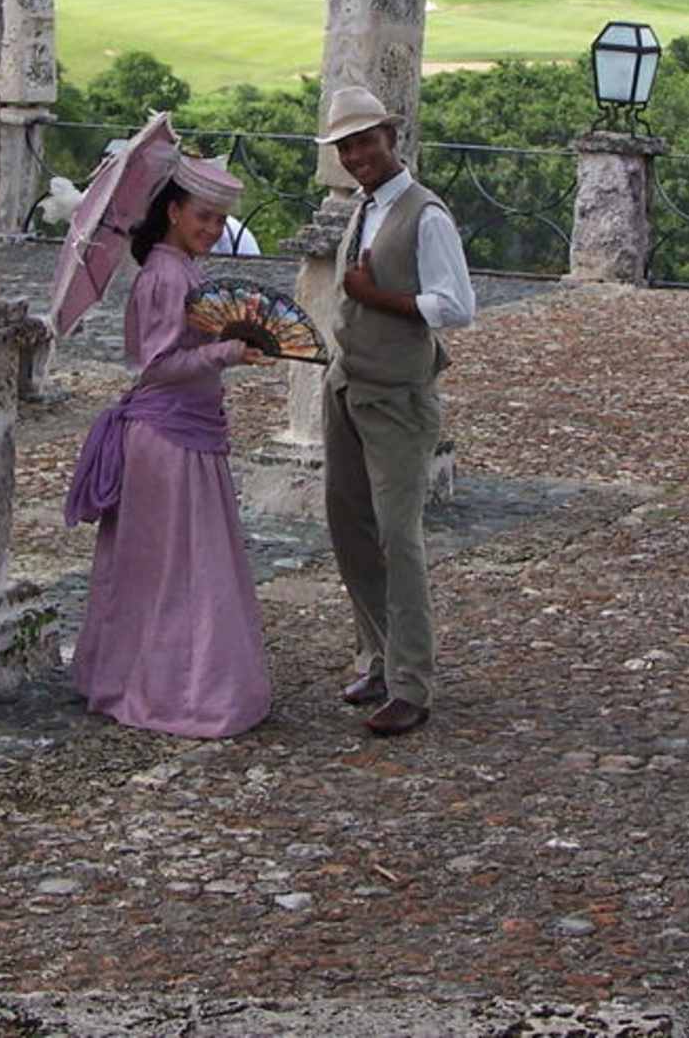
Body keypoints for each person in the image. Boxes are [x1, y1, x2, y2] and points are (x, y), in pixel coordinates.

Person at [65, 154, 274, 738]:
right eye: (203, 217)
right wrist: (227, 351)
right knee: (177, 569)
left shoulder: (182, 270)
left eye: (219, 221)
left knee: (175, 565)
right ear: (174, 212)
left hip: (186, 432)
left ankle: (167, 679)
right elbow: (156, 368)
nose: (212, 229)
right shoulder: (165, 276)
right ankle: (174, 689)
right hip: (168, 439)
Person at [318, 86, 476, 738]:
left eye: (365, 142)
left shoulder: (425, 214)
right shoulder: (365, 207)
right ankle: (378, 657)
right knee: (349, 526)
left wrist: (376, 296)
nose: (356, 155)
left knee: (398, 538)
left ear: (391, 136)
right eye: (345, 147)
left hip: (399, 399)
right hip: (348, 384)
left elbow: (456, 306)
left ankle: (412, 682)